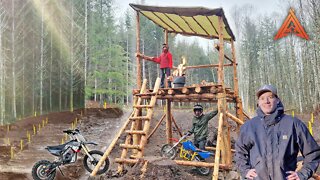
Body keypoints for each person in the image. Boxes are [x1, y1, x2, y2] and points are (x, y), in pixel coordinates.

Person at [235, 84, 320, 180]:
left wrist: (302, 174)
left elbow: (313, 152)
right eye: (262, 98)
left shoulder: (293, 124)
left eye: (270, 97)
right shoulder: (249, 127)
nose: (266, 101)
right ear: (258, 103)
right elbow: (240, 152)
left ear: (278, 100)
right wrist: (245, 170)